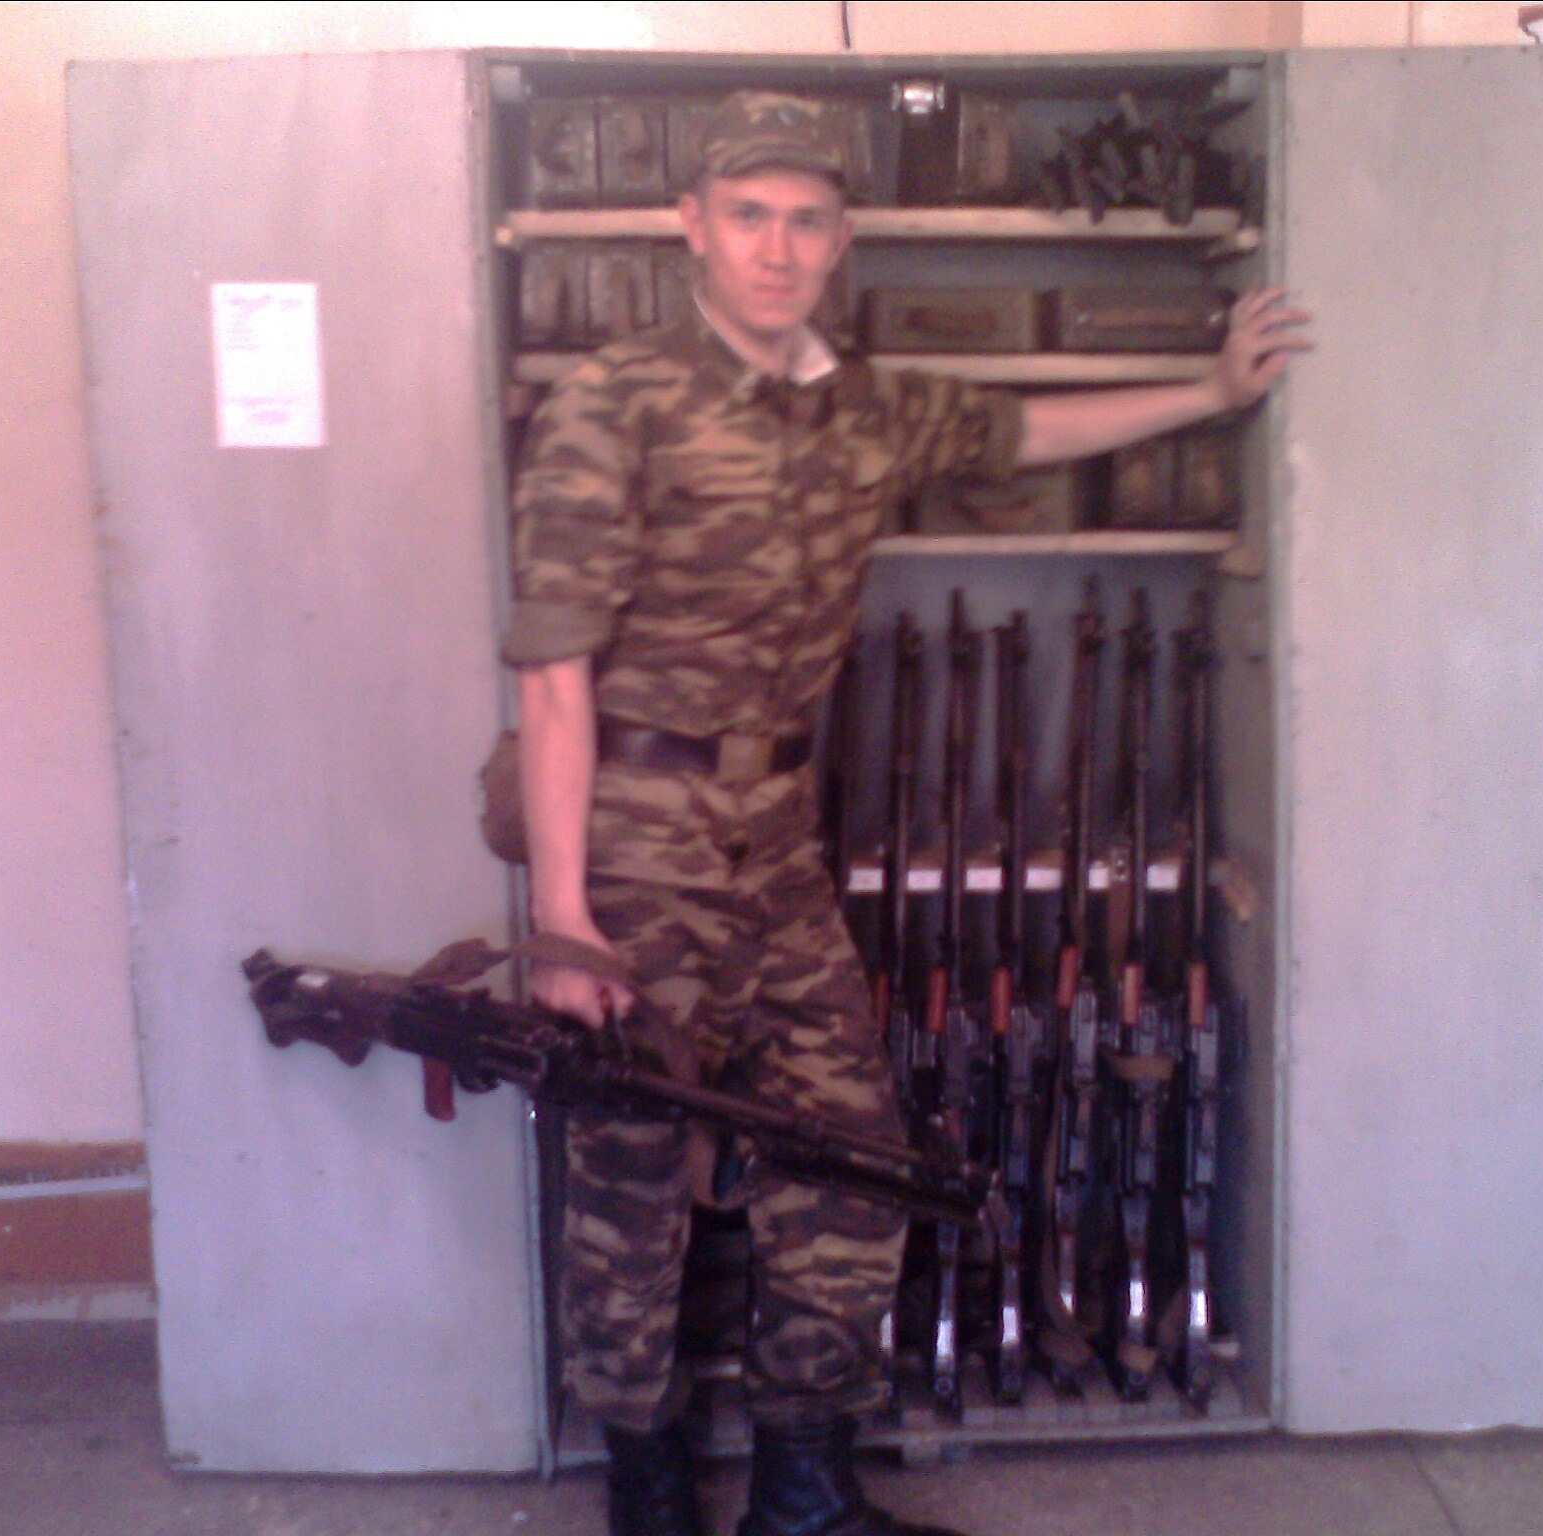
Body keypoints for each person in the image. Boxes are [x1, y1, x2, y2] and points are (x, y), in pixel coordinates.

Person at [503, 91, 1309, 1536]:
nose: (777, 246)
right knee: (633, 1173)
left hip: (775, 833)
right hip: (634, 830)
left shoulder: (864, 404)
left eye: (806, 220)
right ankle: (649, 1500)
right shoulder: (614, 403)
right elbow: (555, 677)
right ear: (693, 226)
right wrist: (562, 919)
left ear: (841, 240)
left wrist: (1212, 389)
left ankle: (804, 1498)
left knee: (850, 1155)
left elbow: (1022, 429)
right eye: (748, 215)